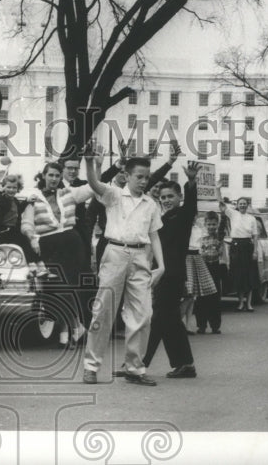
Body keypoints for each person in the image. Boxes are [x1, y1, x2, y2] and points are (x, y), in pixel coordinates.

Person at [81, 154, 165, 386]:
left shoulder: (151, 204)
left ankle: (134, 368)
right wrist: (90, 163)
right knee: (103, 312)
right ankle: (91, 366)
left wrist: (162, 265)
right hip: (116, 253)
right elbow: (94, 184)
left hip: (141, 257)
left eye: (147, 177)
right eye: (139, 176)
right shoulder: (114, 194)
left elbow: (154, 234)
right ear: (126, 176)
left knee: (143, 314)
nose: (143, 181)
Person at [21, 161, 94, 348]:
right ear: (43, 176)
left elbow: (94, 185)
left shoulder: (68, 193)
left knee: (68, 289)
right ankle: (76, 327)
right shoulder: (33, 196)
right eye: (50, 175)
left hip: (71, 244)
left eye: (57, 175)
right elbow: (27, 223)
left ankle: (66, 333)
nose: (54, 179)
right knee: (56, 290)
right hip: (48, 245)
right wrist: (32, 238)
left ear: (61, 177)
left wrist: (98, 166)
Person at [143, 165, 203, 379]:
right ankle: (185, 364)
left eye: (171, 196)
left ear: (179, 197)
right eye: (163, 197)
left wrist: (192, 183)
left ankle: (139, 363)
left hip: (171, 275)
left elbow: (192, 205)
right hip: (162, 274)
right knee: (171, 322)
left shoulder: (183, 215)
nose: (166, 200)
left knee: (159, 318)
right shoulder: (163, 218)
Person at [0, 174, 47, 277]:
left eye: (14, 187)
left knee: (28, 240)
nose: (11, 190)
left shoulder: (15, 200)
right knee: (24, 241)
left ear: (18, 189)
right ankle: (34, 267)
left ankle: (38, 266)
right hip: (2, 233)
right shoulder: (3, 199)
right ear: (4, 187)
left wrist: (27, 201)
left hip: (12, 231)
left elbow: (19, 209)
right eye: (8, 187)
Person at [217, 196, 262, 309]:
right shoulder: (233, 214)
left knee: (249, 275)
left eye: (244, 203)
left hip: (248, 246)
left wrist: (255, 251)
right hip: (236, 246)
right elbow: (221, 203)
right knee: (238, 275)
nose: (242, 205)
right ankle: (241, 302)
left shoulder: (252, 218)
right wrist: (218, 189)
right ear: (237, 205)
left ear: (247, 205)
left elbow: (255, 236)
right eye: (240, 203)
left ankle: (249, 303)